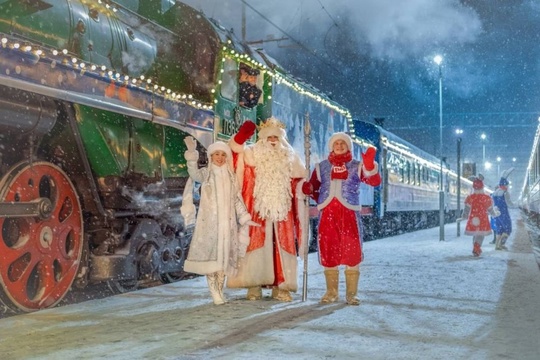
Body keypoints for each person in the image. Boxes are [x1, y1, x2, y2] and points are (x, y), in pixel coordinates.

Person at [226, 118, 307, 302]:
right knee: (254, 243)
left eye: (275, 137)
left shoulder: (291, 156)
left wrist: (304, 186)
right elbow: (234, 156)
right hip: (257, 208)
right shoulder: (252, 153)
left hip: (282, 210)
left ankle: (282, 286)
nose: (272, 140)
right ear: (262, 138)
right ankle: (253, 284)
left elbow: (299, 181)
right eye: (269, 137)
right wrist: (239, 139)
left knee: (282, 245)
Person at [302, 133, 381, 305]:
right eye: (336, 143)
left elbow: (374, 181)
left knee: (351, 250)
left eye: (342, 143)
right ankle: (331, 292)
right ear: (331, 146)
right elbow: (313, 188)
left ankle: (351, 294)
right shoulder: (321, 167)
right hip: (328, 215)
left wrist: (369, 165)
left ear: (348, 147)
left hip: (349, 214)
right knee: (329, 250)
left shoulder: (356, 166)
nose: (339, 146)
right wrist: (307, 188)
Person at [182, 137, 259, 305]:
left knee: (224, 261)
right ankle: (214, 292)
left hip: (228, 225)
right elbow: (193, 173)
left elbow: (237, 200)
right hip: (211, 225)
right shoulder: (206, 174)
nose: (219, 157)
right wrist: (192, 154)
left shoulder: (231, 177)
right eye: (216, 154)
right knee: (212, 259)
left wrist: (244, 217)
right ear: (211, 156)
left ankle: (220, 290)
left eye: (223, 154)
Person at [462, 174, 500, 257]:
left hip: (473, 218)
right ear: (482, 188)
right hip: (482, 218)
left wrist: (464, 216)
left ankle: (476, 247)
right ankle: (476, 247)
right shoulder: (486, 198)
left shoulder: (471, 197)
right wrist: (494, 214)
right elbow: (490, 209)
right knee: (480, 234)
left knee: (476, 233)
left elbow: (467, 208)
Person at [491, 168, 515, 250]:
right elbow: (510, 204)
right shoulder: (505, 193)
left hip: (497, 213)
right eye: (507, 185)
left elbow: (493, 203)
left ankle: (497, 246)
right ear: (505, 185)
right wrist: (517, 205)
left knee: (499, 229)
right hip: (504, 213)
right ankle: (501, 244)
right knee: (508, 229)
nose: (508, 187)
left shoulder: (494, 193)